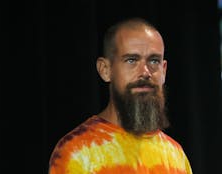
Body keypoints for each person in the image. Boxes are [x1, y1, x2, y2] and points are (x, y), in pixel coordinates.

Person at [48, 17, 193, 174]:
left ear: (164, 71)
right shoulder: (77, 151)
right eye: (131, 60)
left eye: (154, 61)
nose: (145, 72)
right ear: (105, 69)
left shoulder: (176, 155)